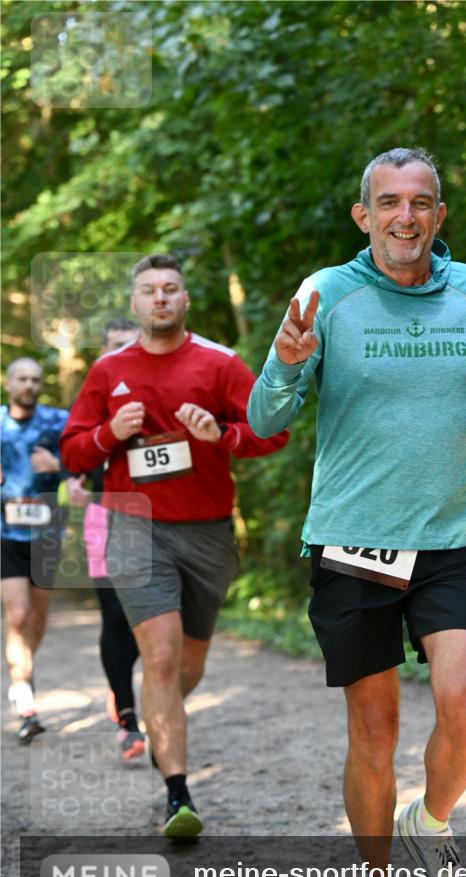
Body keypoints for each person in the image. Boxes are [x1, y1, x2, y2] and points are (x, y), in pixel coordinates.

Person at [248, 147, 466, 877]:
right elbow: (266, 419)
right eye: (388, 202)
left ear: (438, 214)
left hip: (455, 536)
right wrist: (285, 364)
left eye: (420, 202)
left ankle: (429, 825)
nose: (405, 216)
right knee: (373, 733)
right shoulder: (324, 294)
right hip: (354, 540)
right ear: (362, 215)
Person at [60, 254, 289, 838]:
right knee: (160, 659)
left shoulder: (219, 363)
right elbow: (72, 451)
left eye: (170, 289)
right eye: (149, 290)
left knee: (187, 666)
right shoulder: (107, 371)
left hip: (207, 530)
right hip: (133, 527)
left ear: (185, 300)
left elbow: (272, 431)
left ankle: (159, 714)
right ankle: (178, 795)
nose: (159, 298)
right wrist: (110, 433)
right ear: (134, 303)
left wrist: (223, 434)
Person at [65, 318, 144, 763]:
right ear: (101, 353)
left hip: (160, 519)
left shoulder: (157, 390)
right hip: (104, 518)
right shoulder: (93, 395)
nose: (123, 353)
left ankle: (138, 694)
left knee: (149, 619)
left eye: (130, 344)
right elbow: (71, 451)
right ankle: (128, 719)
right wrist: (72, 481)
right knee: (116, 615)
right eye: (115, 346)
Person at [1, 358, 69, 744]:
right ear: (9, 383)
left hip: (46, 532)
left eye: (35, 379)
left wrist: (57, 464)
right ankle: (24, 694)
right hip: (5, 531)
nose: (29, 385)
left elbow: (85, 463)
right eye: (22, 378)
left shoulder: (57, 421)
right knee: (18, 615)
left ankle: (22, 673)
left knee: (38, 619)